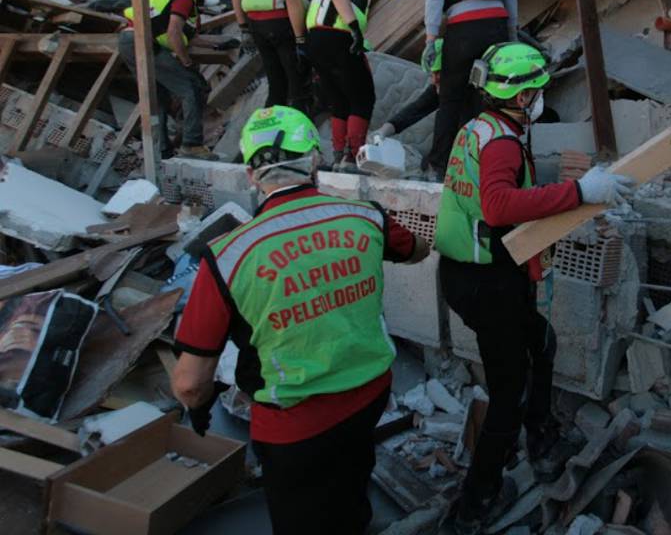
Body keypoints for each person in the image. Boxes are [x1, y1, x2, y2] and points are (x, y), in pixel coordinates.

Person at [171, 105, 429, 535]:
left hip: (293, 427)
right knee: (351, 496)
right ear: (313, 161)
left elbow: (188, 382)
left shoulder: (228, 256)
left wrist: (198, 407)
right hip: (368, 400)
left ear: (252, 176)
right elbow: (417, 249)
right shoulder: (365, 216)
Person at [433, 43, 634, 533]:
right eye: (537, 90)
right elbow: (499, 206)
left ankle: (541, 441)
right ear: (521, 99)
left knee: (542, 342)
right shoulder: (501, 141)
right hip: (487, 280)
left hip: (475, 272)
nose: (542, 98)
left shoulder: (480, 128)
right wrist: (581, 192)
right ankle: (475, 504)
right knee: (510, 391)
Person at [409, 0, 517, 177]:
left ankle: (439, 166)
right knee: (489, 97)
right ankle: (485, 164)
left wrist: (431, 38)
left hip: (465, 25)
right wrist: (511, 34)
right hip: (497, 24)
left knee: (450, 98)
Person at [304, 0, 396, 170]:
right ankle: (352, 157)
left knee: (339, 101)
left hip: (317, 40)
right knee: (363, 98)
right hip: (338, 38)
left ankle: (338, 157)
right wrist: (354, 28)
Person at [118, 0, 229, 159]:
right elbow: (174, 32)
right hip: (141, 42)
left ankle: (162, 150)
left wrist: (216, 45)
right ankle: (191, 145)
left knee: (159, 97)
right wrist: (185, 61)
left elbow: (190, 36)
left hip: (130, 41)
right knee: (192, 88)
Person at [375, 38, 443, 141]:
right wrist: (383, 131)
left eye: (438, 72)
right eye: (431, 74)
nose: (434, 80)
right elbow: (415, 110)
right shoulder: (436, 90)